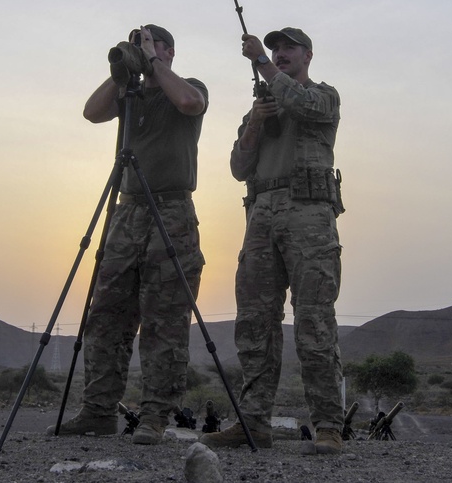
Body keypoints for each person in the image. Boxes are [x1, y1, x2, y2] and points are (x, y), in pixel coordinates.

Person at [56, 24, 209, 446]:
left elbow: (189, 103)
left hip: (172, 210)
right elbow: (91, 112)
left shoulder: (189, 86)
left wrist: (154, 63)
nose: (144, 49)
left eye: (151, 43)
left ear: (170, 50)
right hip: (127, 212)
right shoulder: (132, 95)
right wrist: (122, 71)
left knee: (164, 319)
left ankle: (155, 414)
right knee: (106, 314)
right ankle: (98, 410)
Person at [201, 27, 345, 454]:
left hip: (309, 215)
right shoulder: (260, 107)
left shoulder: (323, 96)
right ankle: (252, 424)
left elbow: (302, 105)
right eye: (275, 48)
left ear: (308, 54)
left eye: (288, 48)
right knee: (255, 323)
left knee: (314, 321)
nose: (280, 54)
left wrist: (261, 61)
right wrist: (255, 127)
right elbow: (238, 167)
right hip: (261, 213)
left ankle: (328, 427)